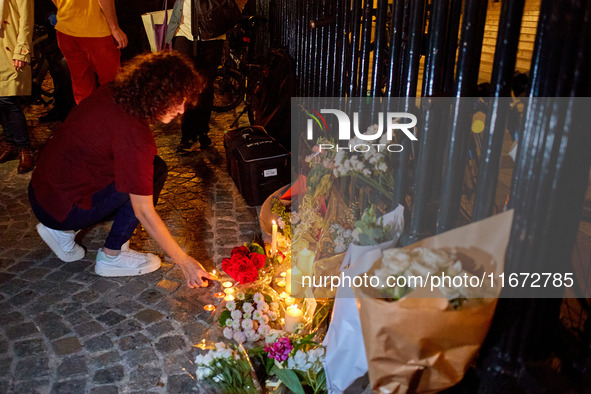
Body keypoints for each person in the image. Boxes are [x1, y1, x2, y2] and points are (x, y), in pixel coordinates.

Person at [28, 51, 216, 288]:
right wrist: (184, 261)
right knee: (153, 172)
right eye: (179, 101)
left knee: (144, 169)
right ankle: (112, 255)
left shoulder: (114, 91)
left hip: (42, 193)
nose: (181, 110)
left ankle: (61, 233)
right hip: (62, 209)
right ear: (158, 94)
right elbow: (144, 211)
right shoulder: (135, 137)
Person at [166, 0, 226, 152]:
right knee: (186, 85)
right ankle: (188, 135)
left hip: (212, 33)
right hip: (183, 32)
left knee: (205, 86)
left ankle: (202, 132)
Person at [53, 0, 128, 104]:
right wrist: (114, 28)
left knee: (82, 86)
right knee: (111, 85)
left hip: (66, 29)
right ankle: (113, 118)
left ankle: (88, 118)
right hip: (95, 29)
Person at [0, 0, 34, 173]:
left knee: (8, 99)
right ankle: (10, 143)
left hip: (9, 46)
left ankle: (24, 148)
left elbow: (26, 19)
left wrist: (21, 50)